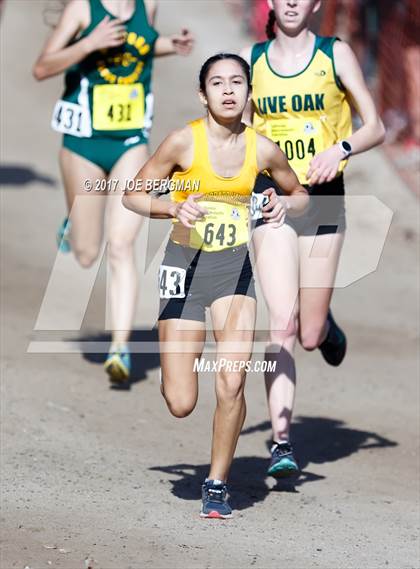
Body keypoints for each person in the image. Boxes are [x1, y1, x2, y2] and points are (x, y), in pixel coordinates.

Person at [123, 53, 308, 517]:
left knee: (231, 381)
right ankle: (173, 356)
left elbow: (299, 193)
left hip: (233, 272)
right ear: (202, 94)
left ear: (248, 92)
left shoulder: (263, 149)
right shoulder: (183, 142)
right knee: (181, 401)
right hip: (183, 268)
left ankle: (216, 483)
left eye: (237, 82)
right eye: (217, 83)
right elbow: (132, 194)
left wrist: (285, 206)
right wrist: (171, 208)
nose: (228, 90)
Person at [240, 0, 385, 479]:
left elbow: (376, 126)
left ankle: (324, 326)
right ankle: (282, 443)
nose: (293, 3)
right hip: (273, 199)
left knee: (307, 332)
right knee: (281, 324)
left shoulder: (334, 54)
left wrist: (341, 148)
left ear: (316, 3)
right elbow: (234, 137)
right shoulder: (251, 60)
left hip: (323, 200)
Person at [33, 0, 193, 383]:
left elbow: (137, 45)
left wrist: (169, 44)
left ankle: (120, 347)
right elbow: (42, 67)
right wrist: (88, 44)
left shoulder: (147, 5)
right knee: (88, 253)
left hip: (131, 141)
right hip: (83, 143)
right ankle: (73, 226)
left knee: (122, 243)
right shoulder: (83, 10)